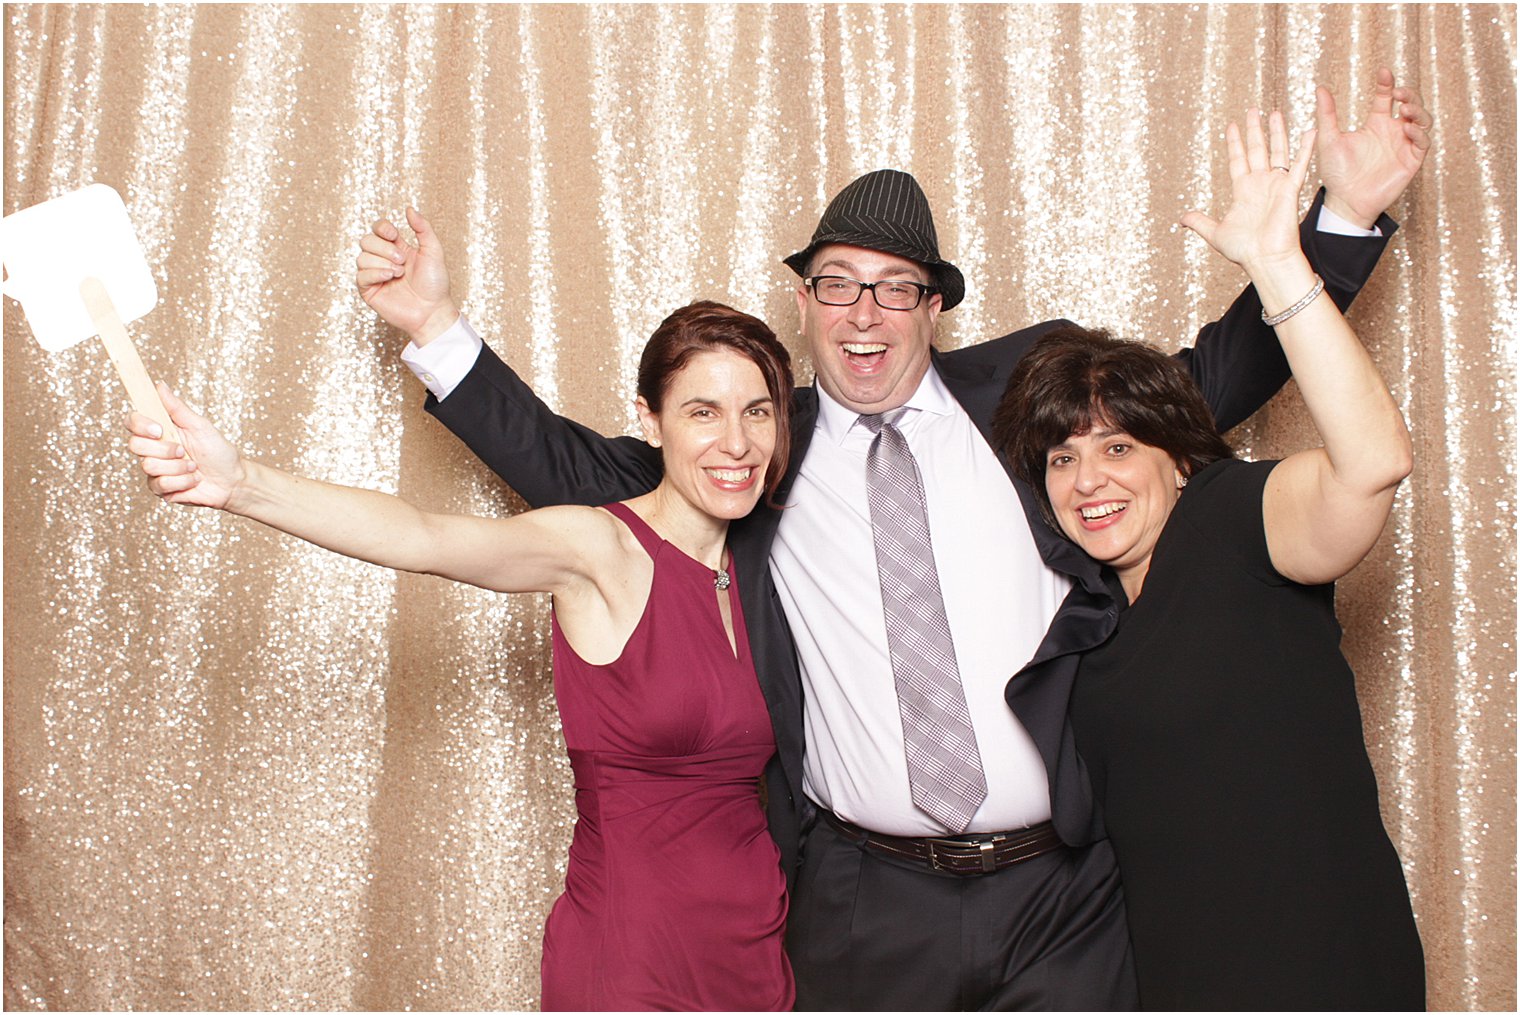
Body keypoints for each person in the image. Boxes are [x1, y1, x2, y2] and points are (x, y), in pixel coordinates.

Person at [355, 70, 1430, 1009]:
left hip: (1061, 892)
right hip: (867, 903)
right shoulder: (754, 451)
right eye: (836, 285)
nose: (862, 315)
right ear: (802, 300)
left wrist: (1337, 223)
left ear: (932, 307)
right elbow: (574, 474)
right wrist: (434, 329)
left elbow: (1203, 386)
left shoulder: (1029, 397)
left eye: (892, 289)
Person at [124, 302, 798, 1012]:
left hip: (755, 949)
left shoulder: (760, 565)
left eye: (757, 412)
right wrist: (244, 485)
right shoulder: (599, 547)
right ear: (652, 421)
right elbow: (425, 537)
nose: (736, 441)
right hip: (633, 957)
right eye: (703, 412)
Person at [990, 108, 1424, 1010]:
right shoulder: (1092, 618)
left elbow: (1373, 461)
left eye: (1117, 448)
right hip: (1183, 978)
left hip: (1323, 968)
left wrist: (1280, 267)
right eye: (1062, 459)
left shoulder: (1235, 519)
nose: (1086, 480)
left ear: (1180, 458)